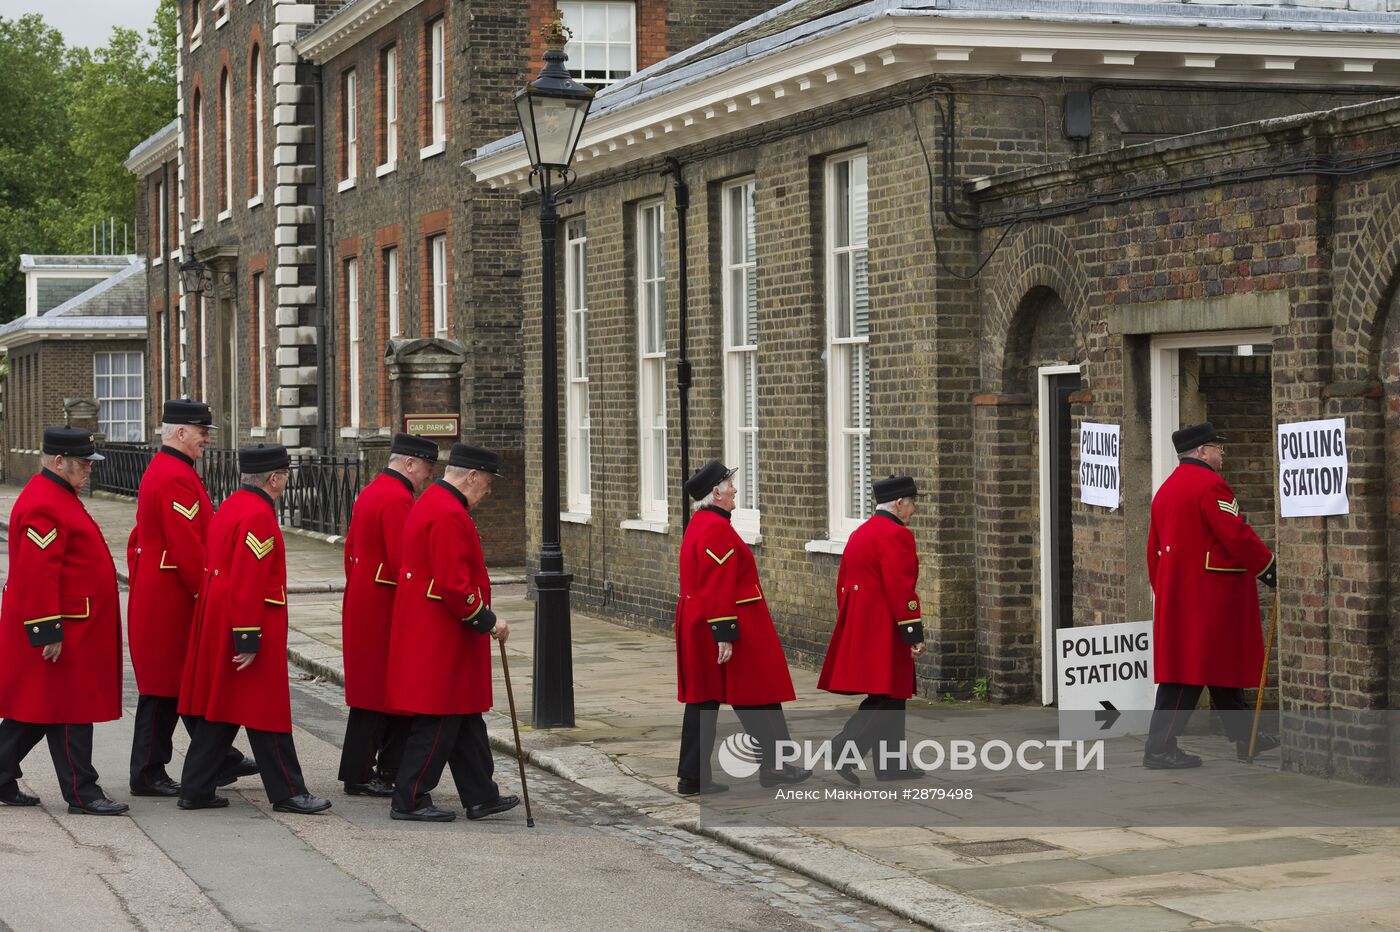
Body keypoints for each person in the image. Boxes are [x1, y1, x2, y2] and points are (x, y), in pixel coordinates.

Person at [177, 444, 330, 813]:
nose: (286, 481)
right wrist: (247, 637)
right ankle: (289, 792)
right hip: (246, 621)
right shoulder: (259, 516)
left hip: (221, 618)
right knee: (267, 709)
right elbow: (249, 579)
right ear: (274, 478)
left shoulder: (232, 504)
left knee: (224, 707)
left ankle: (196, 789)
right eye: (286, 475)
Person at [126, 399, 257, 797]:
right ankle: (149, 772)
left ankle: (217, 757)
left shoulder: (172, 470)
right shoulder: (175, 476)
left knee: (176, 686)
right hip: (172, 599)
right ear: (180, 432)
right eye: (202, 432)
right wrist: (210, 593)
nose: (206, 439)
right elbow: (188, 547)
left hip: (166, 594)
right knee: (162, 690)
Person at [383, 444, 517, 823]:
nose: (487, 492)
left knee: (465, 717)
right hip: (442, 635)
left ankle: (481, 795)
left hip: (437, 630)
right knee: (438, 719)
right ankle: (408, 797)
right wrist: (488, 620)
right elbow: (454, 585)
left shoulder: (435, 502)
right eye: (487, 483)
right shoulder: (448, 513)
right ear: (471, 475)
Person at [0, 428, 128, 815]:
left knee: (39, 709)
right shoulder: (45, 503)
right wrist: (47, 627)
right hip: (64, 625)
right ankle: (83, 792)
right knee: (69, 709)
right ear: (59, 462)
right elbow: (39, 571)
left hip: (75, 623)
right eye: (84, 463)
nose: (89, 470)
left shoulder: (58, 494)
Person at [1144, 422, 1279, 769]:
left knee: (1221, 670)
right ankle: (1159, 749)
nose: (1222, 454)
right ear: (1202, 451)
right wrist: (1269, 568)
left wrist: (1168, 593)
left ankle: (1247, 737)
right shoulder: (1211, 486)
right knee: (1187, 676)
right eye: (1218, 448)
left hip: (1182, 596)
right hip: (1210, 597)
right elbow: (1236, 535)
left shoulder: (1166, 490)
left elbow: (1152, 551)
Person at [675, 459, 810, 796]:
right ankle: (775, 767)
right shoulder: (715, 529)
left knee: (704, 701)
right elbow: (717, 583)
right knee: (760, 695)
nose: (734, 490)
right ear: (715, 494)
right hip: (725, 626)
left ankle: (694, 776)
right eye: (729, 485)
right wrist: (724, 634)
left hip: (707, 623)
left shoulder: (706, 523)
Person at [338, 433, 439, 797]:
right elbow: (405, 563)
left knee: (371, 698)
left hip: (367, 603)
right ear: (409, 463)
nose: (427, 478)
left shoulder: (372, 490)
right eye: (426, 470)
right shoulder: (398, 499)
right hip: (385, 610)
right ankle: (374, 772)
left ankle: (361, 770)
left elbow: (350, 551)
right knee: (386, 698)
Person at [818, 475, 926, 785]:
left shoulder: (860, 532)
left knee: (891, 691)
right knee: (888, 694)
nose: (914, 509)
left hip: (863, 621)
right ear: (898, 503)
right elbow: (901, 588)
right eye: (911, 502)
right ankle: (842, 749)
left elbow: (842, 584)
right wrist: (913, 633)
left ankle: (891, 764)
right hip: (886, 624)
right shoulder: (897, 535)